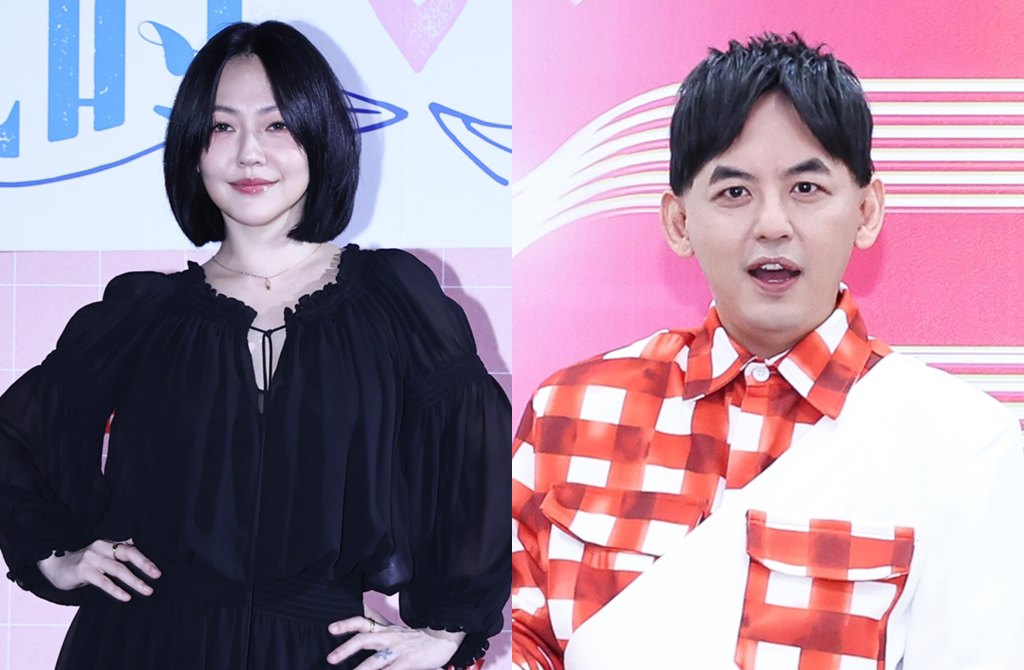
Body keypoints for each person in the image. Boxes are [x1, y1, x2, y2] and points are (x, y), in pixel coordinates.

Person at [0, 20, 510, 670]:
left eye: (277, 125)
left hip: (316, 647)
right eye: (222, 126)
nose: (249, 154)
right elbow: (16, 434)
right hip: (143, 645)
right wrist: (53, 555)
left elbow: (472, 455)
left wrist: (448, 629)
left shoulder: (393, 301)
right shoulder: (143, 314)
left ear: (320, 137)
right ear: (192, 149)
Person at [511, 33, 1024, 669]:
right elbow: (517, 640)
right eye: (734, 192)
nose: (772, 224)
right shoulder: (570, 411)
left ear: (867, 211)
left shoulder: (964, 445)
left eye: (806, 188)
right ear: (679, 222)